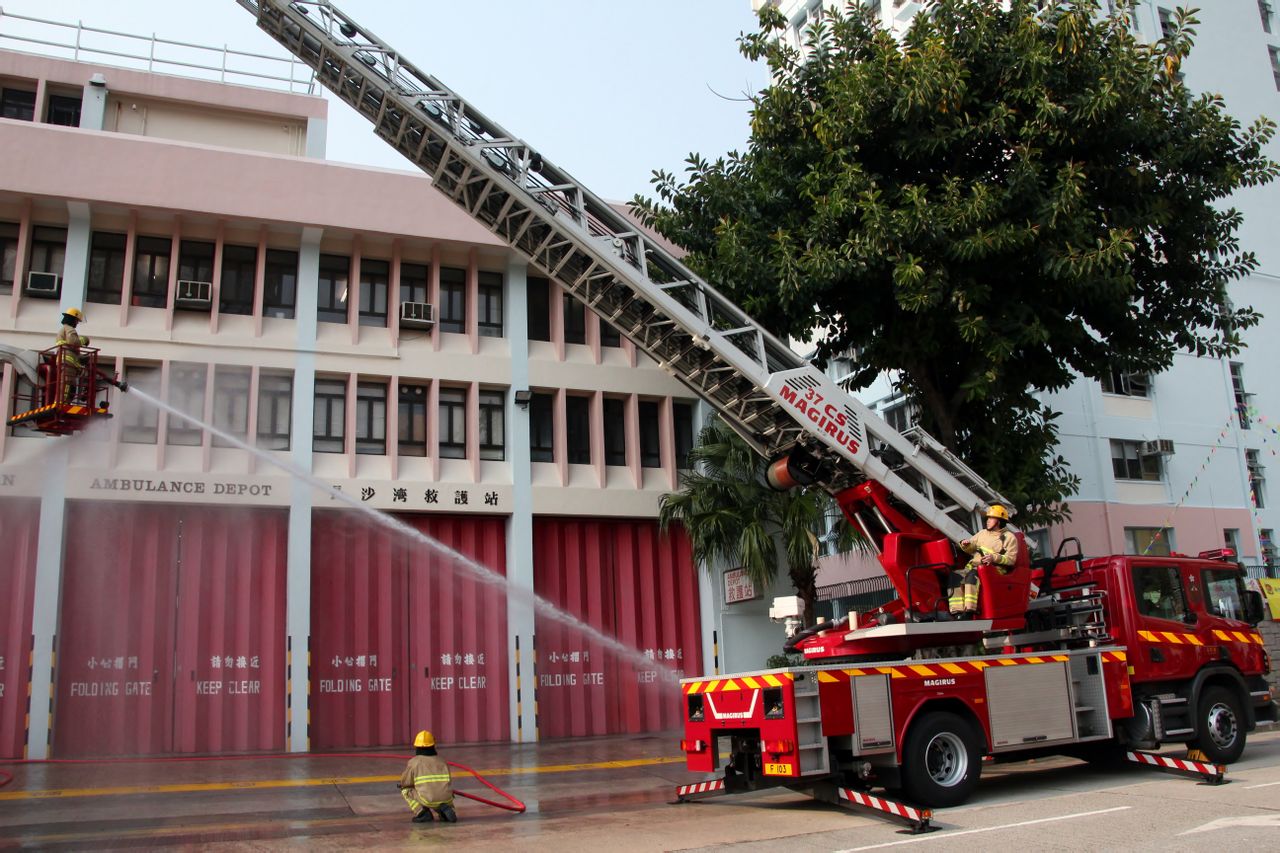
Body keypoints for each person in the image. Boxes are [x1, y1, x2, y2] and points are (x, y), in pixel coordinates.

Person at [949, 504, 1019, 618]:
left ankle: (969, 611)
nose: (988, 521)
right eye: (988, 518)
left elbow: (1011, 559)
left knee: (972, 576)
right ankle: (957, 611)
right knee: (955, 576)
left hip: (994, 570)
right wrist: (965, 544)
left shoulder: (1009, 537)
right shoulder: (982, 533)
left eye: (991, 518)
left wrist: (994, 558)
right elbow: (971, 547)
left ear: (999, 521)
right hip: (975, 567)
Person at [399, 730, 457, 824]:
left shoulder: (414, 762)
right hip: (447, 798)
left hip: (427, 800)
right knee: (441, 795)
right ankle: (446, 810)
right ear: (433, 746)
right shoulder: (442, 761)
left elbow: (405, 782)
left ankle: (422, 812)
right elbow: (448, 781)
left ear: (417, 747)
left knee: (405, 790)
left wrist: (403, 785)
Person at [55, 307, 90, 403]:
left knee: (67, 384)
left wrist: (80, 357)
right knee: (68, 384)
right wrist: (84, 339)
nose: (77, 323)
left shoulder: (63, 329)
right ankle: (63, 403)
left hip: (65, 360)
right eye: (77, 321)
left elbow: (70, 347)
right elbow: (73, 342)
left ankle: (62, 402)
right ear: (73, 319)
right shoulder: (70, 329)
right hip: (68, 362)